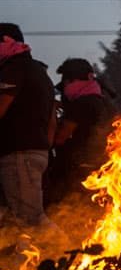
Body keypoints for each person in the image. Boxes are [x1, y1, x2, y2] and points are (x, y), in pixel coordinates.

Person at [0, 23, 57, 229]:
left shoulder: (13, 68)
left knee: (31, 220)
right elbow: (52, 122)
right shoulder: (40, 73)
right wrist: (42, 150)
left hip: (19, 154)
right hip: (35, 153)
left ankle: (70, 255)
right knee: (18, 222)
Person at [45, 58, 114, 205]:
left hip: (76, 170)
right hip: (102, 167)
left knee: (66, 210)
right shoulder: (103, 102)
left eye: (67, 82)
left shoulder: (81, 104)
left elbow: (60, 137)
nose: (66, 87)